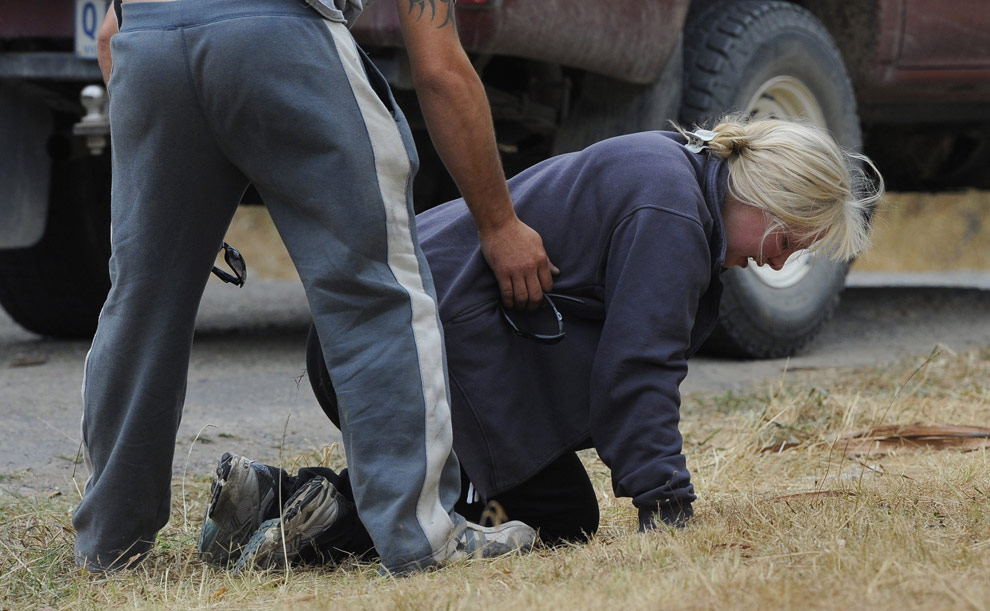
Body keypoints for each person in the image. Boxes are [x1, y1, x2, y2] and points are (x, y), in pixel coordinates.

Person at [204, 116, 884, 570]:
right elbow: (637, 369)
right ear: (768, 197)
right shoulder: (673, 213)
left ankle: (266, 496)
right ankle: (321, 520)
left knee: (556, 509)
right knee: (553, 515)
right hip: (396, 347)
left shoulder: (670, 175)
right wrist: (666, 506)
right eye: (787, 240)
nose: (776, 262)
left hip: (386, 334)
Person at [74, 0, 556, 575]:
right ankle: (422, 537)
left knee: (138, 306)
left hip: (148, 41)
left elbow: (109, 35)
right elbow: (439, 70)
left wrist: (182, 165)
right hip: (284, 32)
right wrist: (499, 223)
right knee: (377, 293)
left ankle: (109, 546)